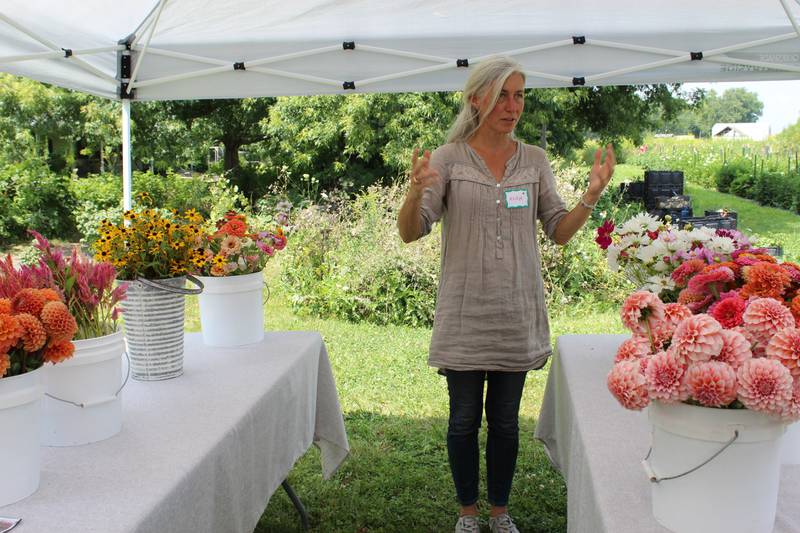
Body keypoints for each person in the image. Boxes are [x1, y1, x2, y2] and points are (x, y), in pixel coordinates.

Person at [396, 56, 615, 533]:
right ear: (477, 98)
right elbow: (412, 232)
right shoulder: (448, 158)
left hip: (516, 310)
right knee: (462, 420)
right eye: (503, 95)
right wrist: (414, 194)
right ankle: (467, 513)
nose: (512, 105)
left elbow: (558, 230)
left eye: (519, 95)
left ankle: (499, 512)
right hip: (464, 311)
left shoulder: (534, 160)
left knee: (506, 422)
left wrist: (591, 195)